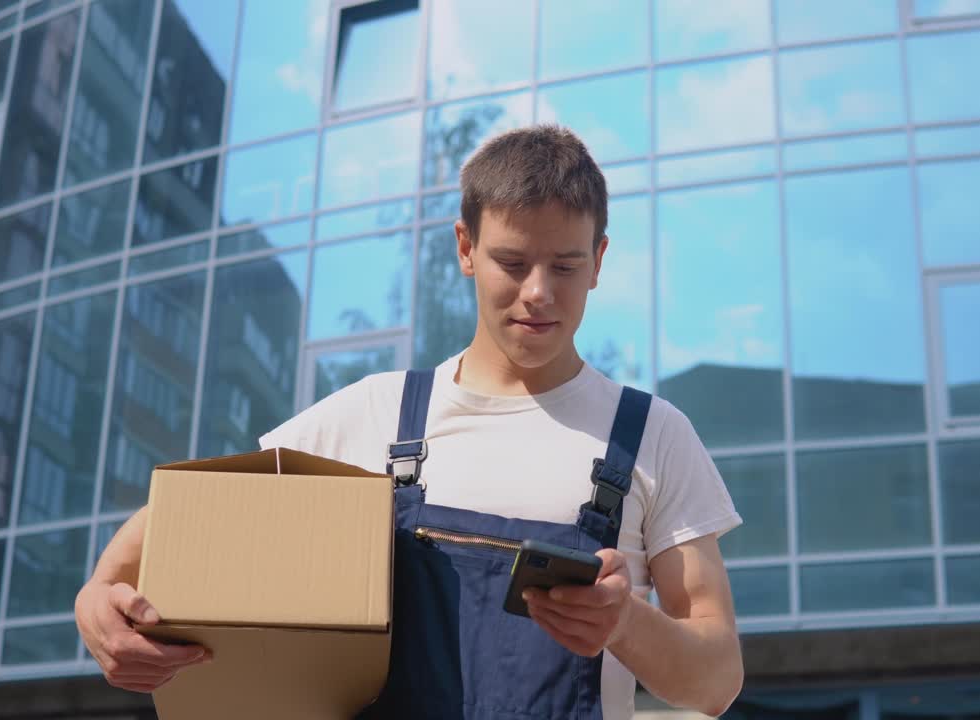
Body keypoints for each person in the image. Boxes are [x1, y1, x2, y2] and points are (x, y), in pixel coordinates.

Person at [75, 125, 744, 719]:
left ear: (599, 260)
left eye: (565, 266)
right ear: (464, 248)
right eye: (511, 263)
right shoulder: (374, 414)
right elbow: (177, 520)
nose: (538, 292)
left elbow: (715, 682)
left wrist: (623, 620)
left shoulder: (654, 435)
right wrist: (98, 602)